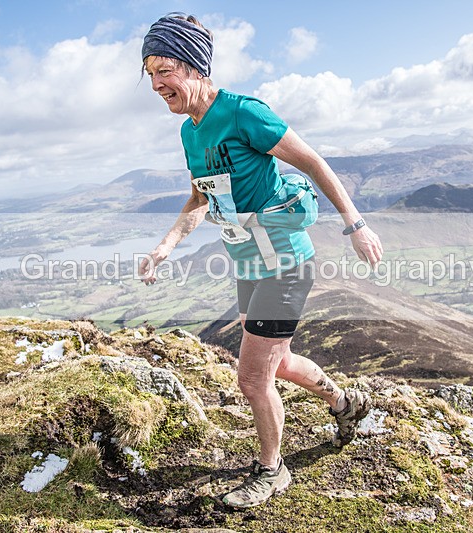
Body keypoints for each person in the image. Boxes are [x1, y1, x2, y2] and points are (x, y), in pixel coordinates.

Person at [138, 14, 384, 509]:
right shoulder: (191, 133)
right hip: (248, 264)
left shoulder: (244, 113)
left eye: (164, 69)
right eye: (149, 73)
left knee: (252, 377)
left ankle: (273, 471)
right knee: (280, 360)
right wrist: (166, 245)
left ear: (195, 66)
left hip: (285, 265)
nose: (157, 84)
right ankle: (345, 403)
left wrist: (355, 224)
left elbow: (313, 162)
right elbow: (199, 199)